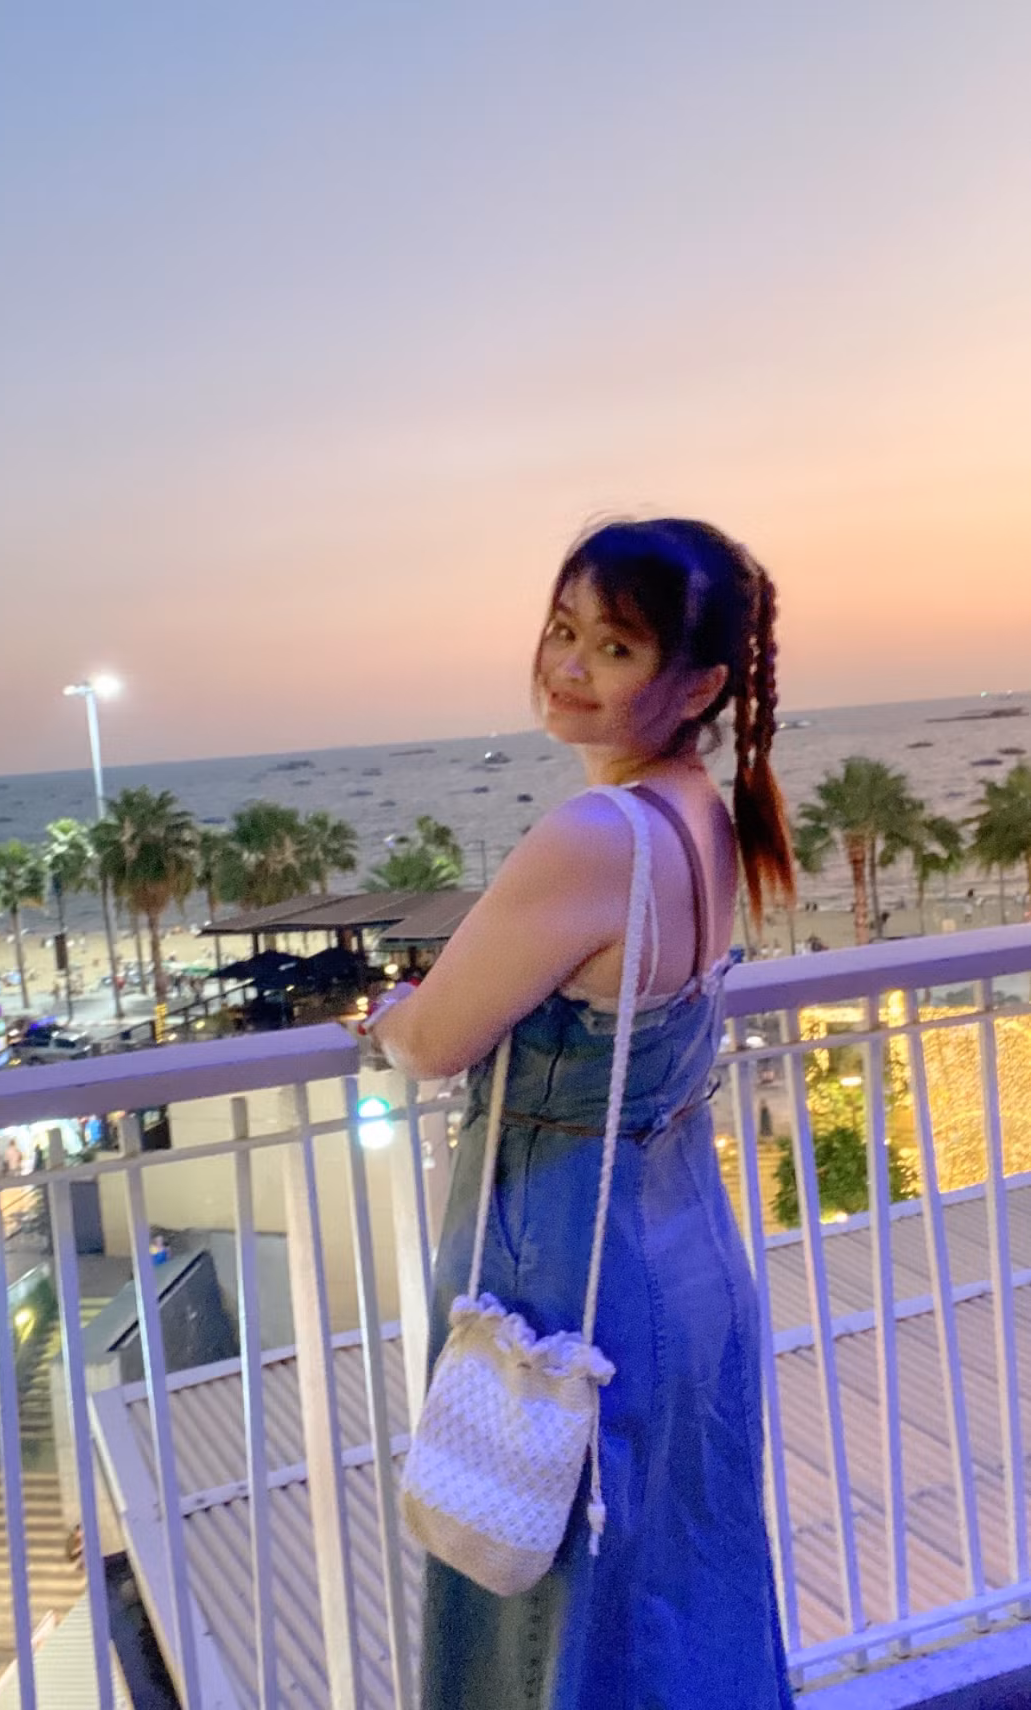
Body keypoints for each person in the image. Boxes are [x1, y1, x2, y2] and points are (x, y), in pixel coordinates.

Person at [368, 519, 796, 1708]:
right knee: (679, 1579)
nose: (566, 666)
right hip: (683, 1250)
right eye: (562, 630)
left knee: (546, 1597)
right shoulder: (700, 813)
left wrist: (391, 1016)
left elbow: (433, 1042)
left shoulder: (595, 835)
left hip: (562, 1267)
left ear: (695, 685)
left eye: (613, 648)